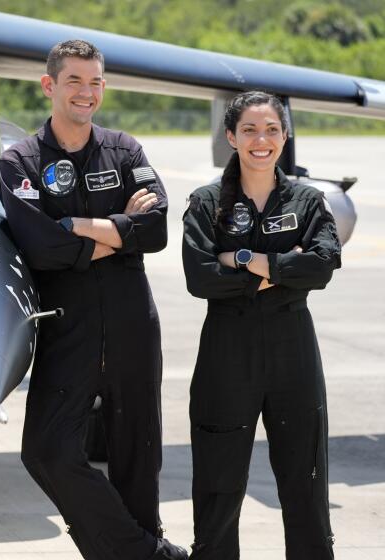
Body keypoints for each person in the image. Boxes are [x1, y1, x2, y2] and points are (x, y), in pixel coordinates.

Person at [0, 40, 187, 560]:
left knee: (137, 455)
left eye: (95, 82)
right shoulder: (21, 161)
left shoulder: (124, 149)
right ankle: (147, 552)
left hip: (132, 323)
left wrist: (76, 227)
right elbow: (40, 246)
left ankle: (137, 546)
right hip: (67, 327)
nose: (87, 92)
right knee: (47, 451)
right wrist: (117, 234)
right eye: (75, 81)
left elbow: (155, 229)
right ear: (49, 86)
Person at [182, 90, 340, 559]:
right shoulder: (207, 202)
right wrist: (280, 269)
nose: (261, 139)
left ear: (285, 136)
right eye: (249, 129)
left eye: (271, 129)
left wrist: (247, 260)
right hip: (227, 353)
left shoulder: (307, 201)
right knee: (218, 482)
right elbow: (200, 278)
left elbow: (323, 265)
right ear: (231, 136)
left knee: (304, 481)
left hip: (293, 351)